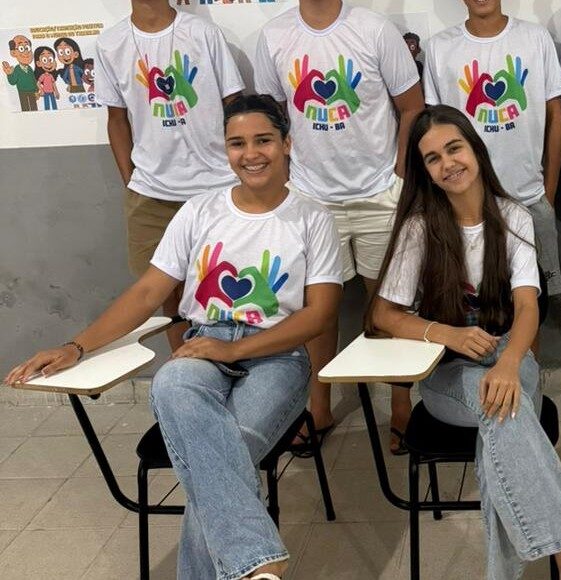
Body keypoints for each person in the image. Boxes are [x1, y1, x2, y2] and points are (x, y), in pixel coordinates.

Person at [6, 95, 343, 580]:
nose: (251, 153)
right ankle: (258, 562)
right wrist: (75, 346)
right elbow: (148, 292)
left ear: (287, 143)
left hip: (277, 354)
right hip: (204, 344)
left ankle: (250, 562)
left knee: (220, 457)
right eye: (237, 143)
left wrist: (235, 348)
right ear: (225, 149)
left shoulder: (313, 218)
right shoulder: (199, 211)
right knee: (173, 386)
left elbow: (320, 315)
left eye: (264, 140)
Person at [367, 105, 561, 580]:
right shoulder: (420, 227)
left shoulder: (513, 216)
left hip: (508, 355)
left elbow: (527, 307)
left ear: (475, 149)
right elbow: (383, 314)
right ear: (425, 171)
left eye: (454, 148)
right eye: (433, 158)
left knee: (501, 424)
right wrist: (446, 333)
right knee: (505, 413)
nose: (448, 163)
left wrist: (509, 362)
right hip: (446, 371)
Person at [255, 0, 425, 454]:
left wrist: (399, 173)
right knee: (315, 311)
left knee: (390, 306)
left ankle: (402, 407)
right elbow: (272, 115)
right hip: (311, 198)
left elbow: (412, 107)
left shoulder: (374, 29)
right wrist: (286, 178)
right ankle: (319, 408)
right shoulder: (274, 36)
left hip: (379, 194)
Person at [96, 0, 245, 350]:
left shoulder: (203, 33)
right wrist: (131, 179)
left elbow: (235, 105)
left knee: (229, 286)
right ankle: (184, 365)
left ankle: (237, 362)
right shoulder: (110, 44)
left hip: (217, 187)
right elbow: (116, 118)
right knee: (169, 295)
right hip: (151, 195)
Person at [422, 0, 561, 298]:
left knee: (539, 301)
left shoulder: (535, 38)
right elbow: (435, 130)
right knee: (480, 301)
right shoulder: (439, 47)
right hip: (469, 208)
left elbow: (555, 115)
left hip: (531, 199)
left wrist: (549, 193)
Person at [3, 35, 38, 112]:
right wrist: (9, 74)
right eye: (21, 48)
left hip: (32, 91)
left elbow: (33, 80)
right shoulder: (17, 69)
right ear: (13, 53)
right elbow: (13, 82)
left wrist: (36, 90)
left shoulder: (30, 68)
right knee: (25, 108)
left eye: (27, 48)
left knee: (34, 108)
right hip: (22, 92)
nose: (26, 52)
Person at [34, 46, 60, 111]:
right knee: (47, 104)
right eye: (44, 60)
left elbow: (54, 84)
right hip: (45, 92)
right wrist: (41, 90)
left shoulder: (51, 76)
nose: (49, 63)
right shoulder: (43, 76)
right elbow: (38, 83)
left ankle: (55, 110)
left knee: (54, 103)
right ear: (38, 63)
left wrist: (56, 92)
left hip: (52, 92)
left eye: (51, 59)